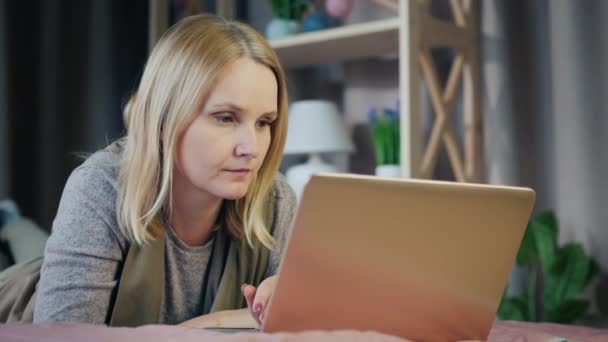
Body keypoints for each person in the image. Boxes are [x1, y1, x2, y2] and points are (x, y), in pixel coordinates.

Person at [31, 14, 297, 327]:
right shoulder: (101, 185)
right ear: (163, 120)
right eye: (225, 118)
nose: (251, 148)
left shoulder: (275, 199)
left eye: (264, 122)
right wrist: (217, 326)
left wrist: (210, 323)